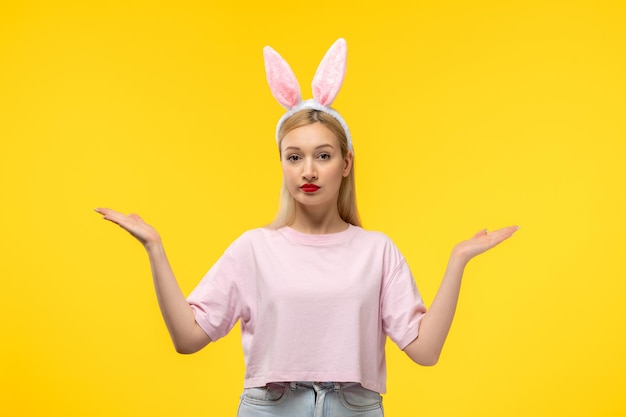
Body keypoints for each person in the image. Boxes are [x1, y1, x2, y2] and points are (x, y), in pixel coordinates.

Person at [95, 38, 518, 417]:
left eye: (323, 155)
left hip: (355, 408)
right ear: (281, 164)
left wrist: (458, 260)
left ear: (346, 163)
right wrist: (154, 246)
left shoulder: (377, 251)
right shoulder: (254, 249)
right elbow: (188, 339)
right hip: (270, 408)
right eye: (294, 157)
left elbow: (425, 351)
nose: (308, 171)